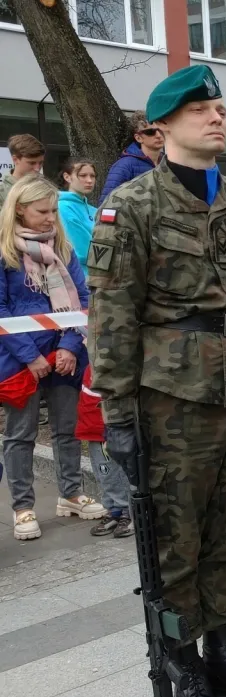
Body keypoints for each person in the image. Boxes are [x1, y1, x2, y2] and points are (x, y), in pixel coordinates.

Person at [88, 65, 226, 697]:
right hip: (171, 403)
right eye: (203, 109)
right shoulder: (134, 208)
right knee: (175, 540)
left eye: (222, 109)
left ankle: (223, 647)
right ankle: (182, 661)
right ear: (163, 125)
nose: (218, 118)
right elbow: (112, 318)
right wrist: (119, 416)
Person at [0, 174, 102, 542]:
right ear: (20, 210)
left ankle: (71, 494)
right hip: (19, 361)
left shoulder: (64, 249)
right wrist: (30, 357)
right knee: (20, 434)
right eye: (43, 211)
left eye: (54, 211)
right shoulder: (5, 254)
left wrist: (68, 348)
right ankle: (23, 507)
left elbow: (82, 301)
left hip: (64, 356)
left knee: (67, 430)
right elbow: (2, 310)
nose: (50, 218)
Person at [78, 366, 133, 537]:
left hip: (113, 421)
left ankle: (129, 511)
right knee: (103, 470)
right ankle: (114, 508)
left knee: (119, 468)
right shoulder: (92, 363)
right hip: (93, 420)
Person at [100, 110, 163, 201]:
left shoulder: (169, 162)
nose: (158, 135)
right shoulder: (124, 166)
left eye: (160, 130)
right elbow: (107, 204)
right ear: (138, 138)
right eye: (150, 132)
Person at [58, 157, 97, 264]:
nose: (89, 180)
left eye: (92, 176)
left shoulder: (94, 210)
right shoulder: (62, 208)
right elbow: (83, 251)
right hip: (80, 275)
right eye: (83, 175)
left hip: (99, 273)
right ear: (67, 177)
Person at [0, 134, 45, 208]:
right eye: (32, 163)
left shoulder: (46, 189)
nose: (37, 168)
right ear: (15, 159)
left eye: (40, 163)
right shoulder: (2, 193)